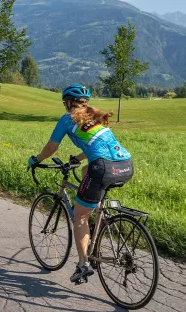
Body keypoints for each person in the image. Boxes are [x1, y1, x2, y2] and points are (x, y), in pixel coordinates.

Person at [28, 84, 134, 283]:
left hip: (103, 167)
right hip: (126, 165)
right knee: (87, 172)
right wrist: (77, 159)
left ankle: (82, 264)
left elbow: (51, 147)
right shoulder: (96, 117)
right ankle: (101, 220)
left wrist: (36, 160)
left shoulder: (67, 119)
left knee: (80, 216)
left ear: (68, 102)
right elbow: (96, 145)